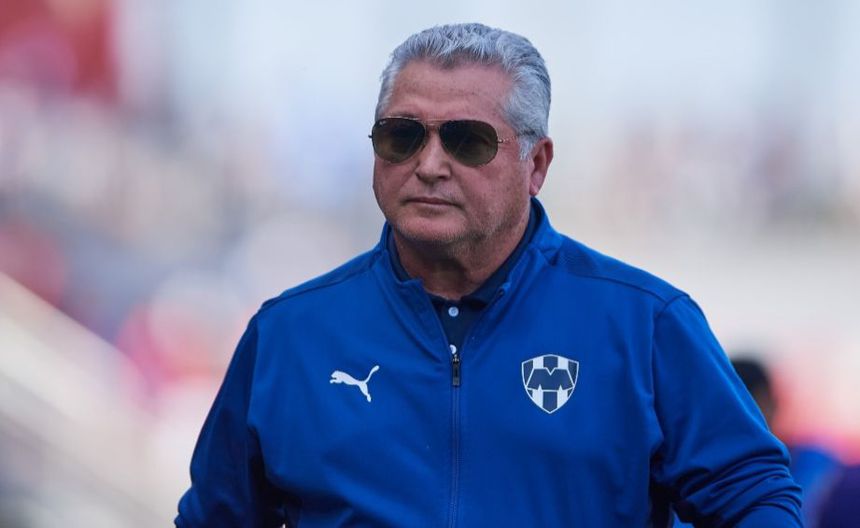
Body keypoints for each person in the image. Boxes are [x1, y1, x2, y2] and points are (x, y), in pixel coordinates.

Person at [176, 23, 802, 527]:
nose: (429, 164)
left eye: (467, 141)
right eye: (401, 136)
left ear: (537, 165)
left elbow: (755, 497)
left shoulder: (644, 324)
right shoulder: (289, 335)